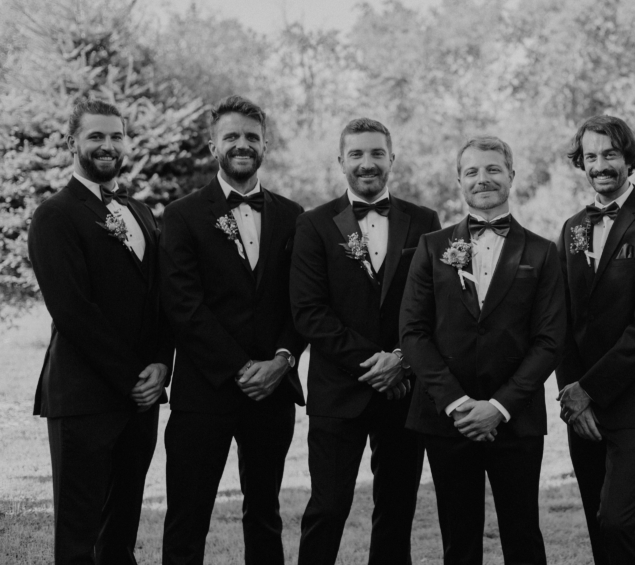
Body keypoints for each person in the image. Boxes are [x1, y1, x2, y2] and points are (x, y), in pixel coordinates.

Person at [400, 136, 566, 565]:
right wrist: (456, 404)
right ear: (459, 181)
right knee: (458, 538)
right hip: (446, 418)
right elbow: (413, 333)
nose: (483, 179)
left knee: (523, 535)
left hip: (516, 417)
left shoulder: (543, 252)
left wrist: (499, 406)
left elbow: (549, 340)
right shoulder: (433, 247)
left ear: (511, 176)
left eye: (493, 169)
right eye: (471, 171)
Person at [160, 95, 305, 565]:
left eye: (251, 137)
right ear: (212, 146)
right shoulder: (183, 215)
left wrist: (282, 359)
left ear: (265, 145)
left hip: (273, 392)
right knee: (188, 515)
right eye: (232, 137)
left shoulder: (293, 216)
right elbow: (184, 304)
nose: (242, 145)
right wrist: (242, 367)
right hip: (204, 392)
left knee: (264, 513)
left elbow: (301, 301)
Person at [291, 118, 440, 565]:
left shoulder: (425, 221)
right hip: (338, 392)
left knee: (396, 511)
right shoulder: (314, 225)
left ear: (391, 159)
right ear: (341, 162)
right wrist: (375, 363)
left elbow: (432, 307)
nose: (367, 163)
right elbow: (309, 312)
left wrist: (401, 360)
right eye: (356, 154)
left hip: (404, 391)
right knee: (328, 508)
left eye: (377, 153)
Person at [28, 99, 171, 565]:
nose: (107, 146)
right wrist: (134, 375)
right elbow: (73, 311)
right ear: (73, 143)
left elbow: (159, 300)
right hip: (84, 397)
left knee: (120, 534)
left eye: (116, 136)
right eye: (96, 136)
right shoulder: (55, 214)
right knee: (77, 536)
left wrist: (161, 364)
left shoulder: (145, 213)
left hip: (141, 399)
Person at [554, 115, 635, 565]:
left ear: (629, 159)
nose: (600, 164)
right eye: (591, 156)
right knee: (596, 520)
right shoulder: (571, 229)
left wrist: (589, 389)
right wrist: (571, 394)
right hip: (581, 404)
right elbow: (562, 320)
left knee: (616, 517)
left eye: (610, 154)